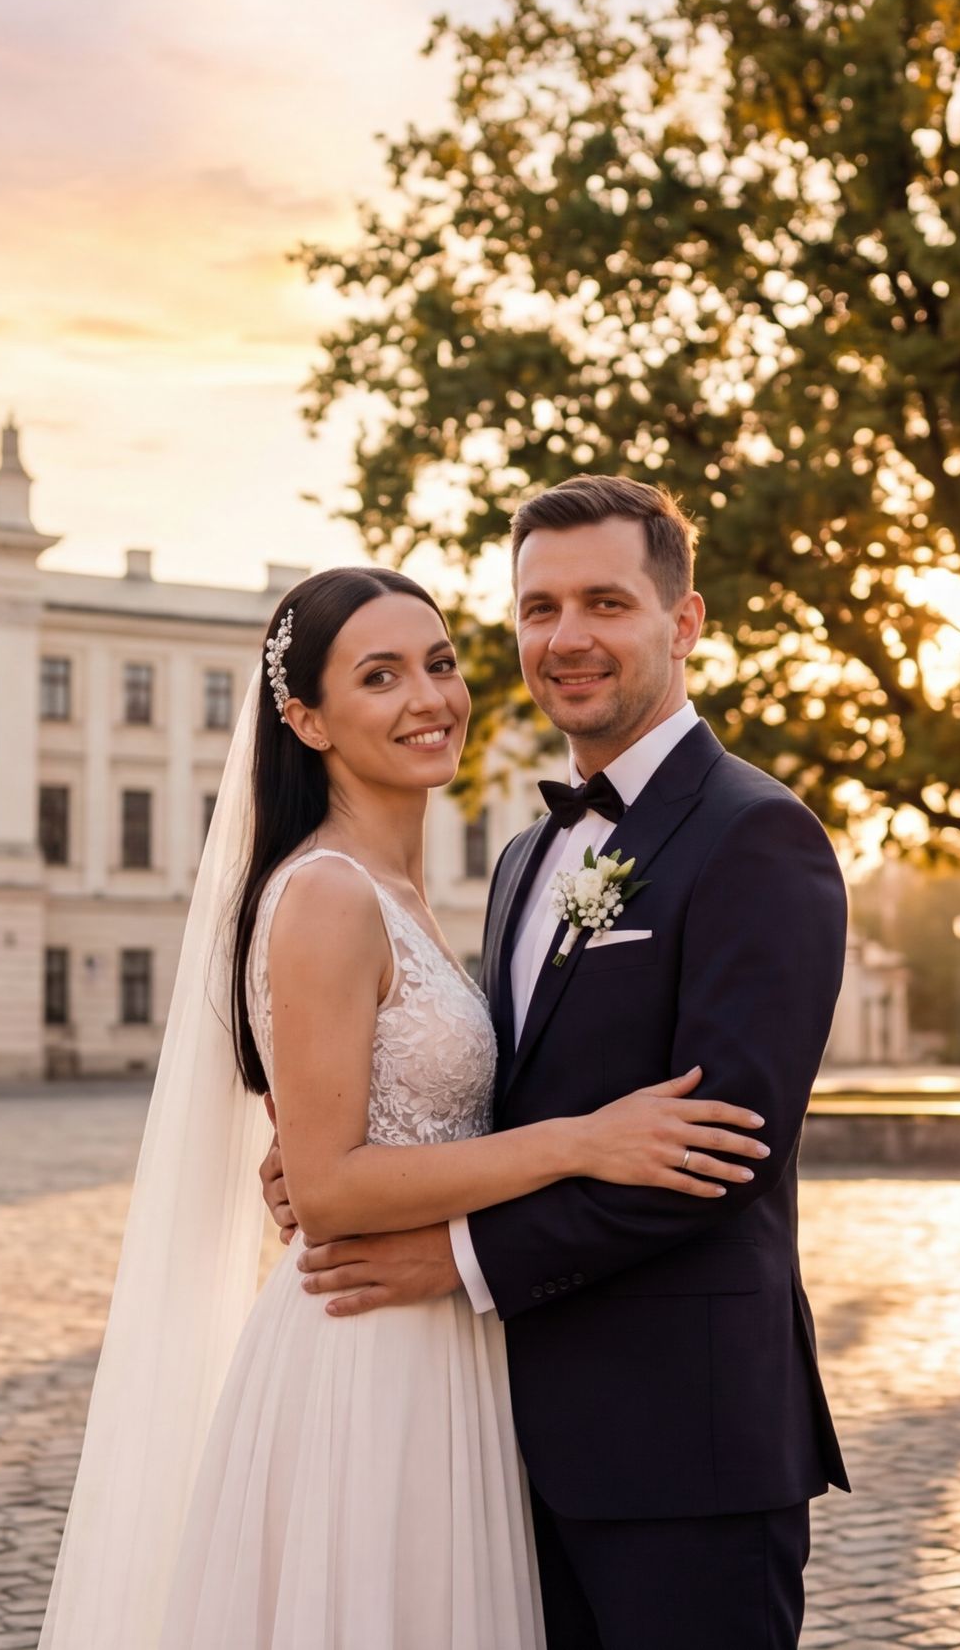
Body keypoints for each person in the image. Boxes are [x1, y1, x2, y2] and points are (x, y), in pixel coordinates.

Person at [38, 560, 771, 1650]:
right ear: (305, 719)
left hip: (455, 1346)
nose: (429, 699)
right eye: (379, 676)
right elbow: (331, 1189)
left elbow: (386, 1122)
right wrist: (581, 1142)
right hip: (368, 1358)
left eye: (438, 663)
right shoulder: (329, 893)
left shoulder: (447, 887)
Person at [275, 476, 851, 1649]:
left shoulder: (758, 834)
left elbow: (720, 1155)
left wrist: (456, 1256)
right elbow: (495, 1095)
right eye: (539, 609)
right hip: (501, 1441)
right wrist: (341, 1157)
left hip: (686, 1448)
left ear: (684, 623)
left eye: (605, 603)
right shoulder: (526, 856)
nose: (566, 637)